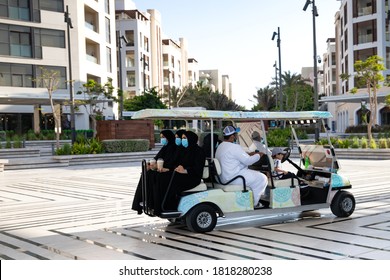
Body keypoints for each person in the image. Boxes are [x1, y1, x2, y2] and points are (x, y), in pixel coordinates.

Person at [215, 125, 268, 208]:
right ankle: (255, 203)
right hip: (234, 177)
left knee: (253, 176)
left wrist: (249, 154)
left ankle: (251, 198)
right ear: (232, 136)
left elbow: (235, 156)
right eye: (236, 134)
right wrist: (259, 155)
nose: (237, 136)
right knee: (262, 178)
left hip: (224, 177)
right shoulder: (234, 147)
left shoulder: (220, 146)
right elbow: (248, 161)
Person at [131, 130, 176, 214]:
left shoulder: (173, 148)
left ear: (168, 137)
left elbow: (172, 162)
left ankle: (154, 204)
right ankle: (144, 200)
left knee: (156, 177)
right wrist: (150, 164)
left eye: (163, 137)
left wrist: (162, 167)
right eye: (161, 137)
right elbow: (157, 158)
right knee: (146, 174)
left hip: (168, 171)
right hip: (160, 170)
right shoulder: (165, 148)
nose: (162, 139)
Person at [162, 130, 206, 210]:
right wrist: (172, 168)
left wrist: (185, 170)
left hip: (193, 177)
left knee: (170, 180)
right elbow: (177, 163)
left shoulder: (199, 151)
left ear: (190, 138)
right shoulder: (184, 150)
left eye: (185, 138)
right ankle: (164, 205)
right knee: (164, 176)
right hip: (182, 175)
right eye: (182, 138)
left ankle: (171, 207)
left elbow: (197, 168)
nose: (183, 140)